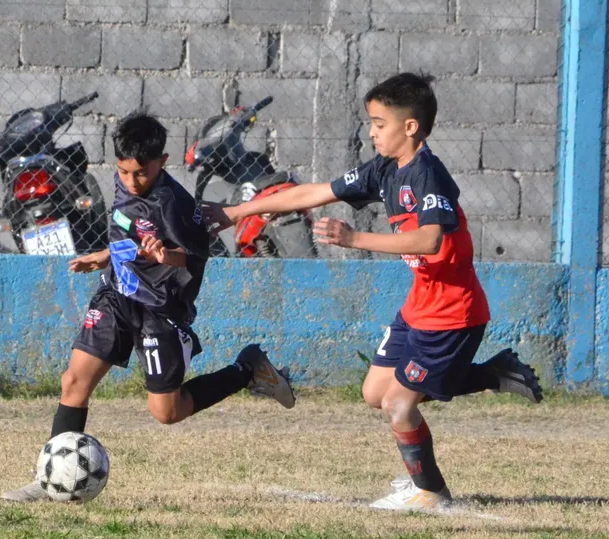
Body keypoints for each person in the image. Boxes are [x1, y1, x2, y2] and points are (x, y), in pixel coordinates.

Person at [202, 73, 542, 512]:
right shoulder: (383, 169)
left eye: (379, 123)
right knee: (374, 393)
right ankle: (496, 374)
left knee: (399, 406)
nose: (372, 131)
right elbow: (312, 192)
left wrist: (354, 239)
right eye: (371, 122)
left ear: (410, 127)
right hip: (419, 305)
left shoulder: (427, 175)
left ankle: (430, 491)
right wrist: (238, 210)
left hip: (452, 315)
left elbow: (430, 240)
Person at [2, 111, 295, 502]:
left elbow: (191, 258)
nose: (131, 181)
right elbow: (129, 236)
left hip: (161, 309)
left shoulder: (174, 203)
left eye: (140, 173)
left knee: (166, 412)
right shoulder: (124, 183)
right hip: (118, 295)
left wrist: (165, 256)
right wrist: (104, 257)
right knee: (74, 381)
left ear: (163, 160)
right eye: (123, 172)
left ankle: (248, 369)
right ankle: (50, 478)